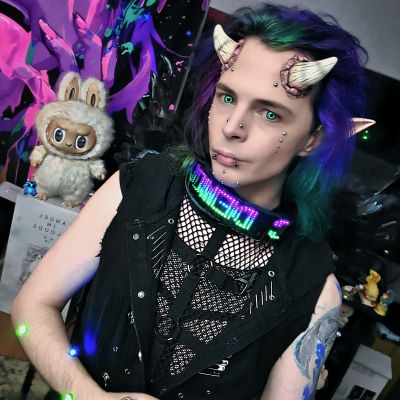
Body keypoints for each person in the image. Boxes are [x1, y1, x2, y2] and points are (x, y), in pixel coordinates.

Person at [11, 3, 374, 400]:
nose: (232, 127)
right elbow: (32, 306)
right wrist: (86, 395)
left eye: (270, 114)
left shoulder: (313, 288)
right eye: (227, 97)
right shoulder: (138, 187)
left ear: (313, 139)